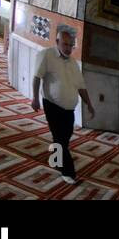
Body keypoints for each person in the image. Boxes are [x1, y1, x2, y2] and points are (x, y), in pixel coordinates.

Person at [31, 24, 95, 184]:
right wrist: (35, 98)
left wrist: (89, 104)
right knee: (60, 137)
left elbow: (81, 86)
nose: (68, 48)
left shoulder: (74, 63)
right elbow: (37, 76)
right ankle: (68, 172)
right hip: (52, 104)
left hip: (69, 109)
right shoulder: (46, 55)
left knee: (64, 138)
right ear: (57, 41)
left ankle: (55, 159)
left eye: (70, 45)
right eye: (65, 44)